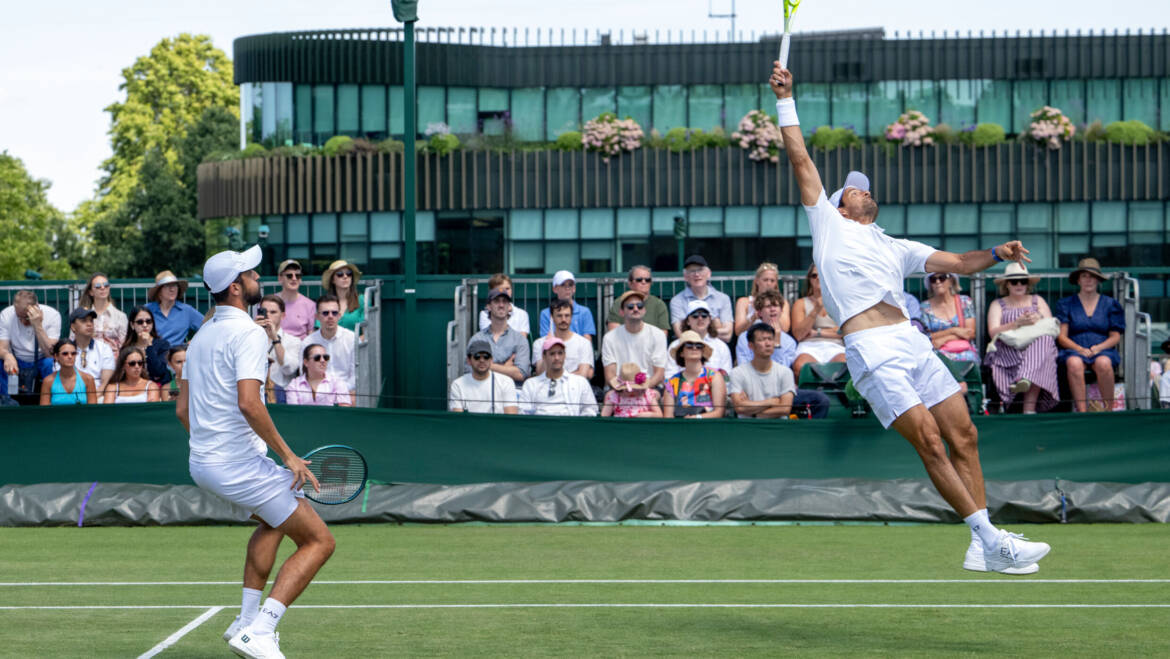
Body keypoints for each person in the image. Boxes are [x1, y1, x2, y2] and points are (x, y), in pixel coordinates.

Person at [773, 61, 1048, 573]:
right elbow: (799, 156)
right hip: (872, 350)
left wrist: (998, 250)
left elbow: (962, 265)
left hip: (913, 341)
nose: (863, 190)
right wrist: (786, 99)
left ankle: (981, 543)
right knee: (927, 439)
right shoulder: (827, 226)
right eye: (855, 189)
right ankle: (990, 538)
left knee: (964, 434)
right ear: (839, 205)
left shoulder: (895, 245)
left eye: (864, 187)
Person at [178, 244, 334, 657]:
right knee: (319, 542)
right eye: (249, 273)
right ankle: (261, 631)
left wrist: (214, 448)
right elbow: (250, 402)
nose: (256, 277)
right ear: (234, 288)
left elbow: (182, 410)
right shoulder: (247, 332)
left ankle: (244, 621)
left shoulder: (201, 337)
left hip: (204, 463)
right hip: (235, 463)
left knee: (273, 522)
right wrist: (288, 455)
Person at [986, 263, 1059, 414]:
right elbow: (993, 332)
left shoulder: (1037, 300)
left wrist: (1037, 317)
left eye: (1023, 281)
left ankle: (1025, 379)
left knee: (1044, 342)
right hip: (1008, 350)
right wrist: (1016, 323)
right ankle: (1028, 408)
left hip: (1037, 348)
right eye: (1014, 281)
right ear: (1007, 284)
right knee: (1040, 357)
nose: (1019, 284)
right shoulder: (997, 304)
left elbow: (1051, 326)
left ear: (1028, 284)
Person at [1056, 257, 1124, 413]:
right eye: (1084, 276)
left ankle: (1108, 410)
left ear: (1098, 280)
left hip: (1102, 349)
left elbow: (1115, 336)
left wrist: (1098, 348)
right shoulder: (1065, 304)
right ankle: (1082, 412)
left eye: (1092, 276)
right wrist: (1079, 349)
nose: (1088, 280)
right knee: (1074, 363)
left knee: (1104, 363)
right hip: (1074, 348)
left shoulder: (1110, 304)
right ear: (1078, 280)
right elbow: (1062, 337)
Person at [0, 290, 61, 405]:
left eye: (26, 317)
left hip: (41, 359)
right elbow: (1, 347)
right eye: (19, 317)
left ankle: (50, 401)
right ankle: (5, 401)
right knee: (2, 360)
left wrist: (37, 325)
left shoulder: (53, 315)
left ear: (37, 308)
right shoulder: (6, 315)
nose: (23, 321)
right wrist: (7, 355)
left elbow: (51, 353)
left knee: (50, 363)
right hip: (17, 359)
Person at [602, 290, 669, 392]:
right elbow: (610, 374)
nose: (635, 309)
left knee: (654, 397)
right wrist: (623, 389)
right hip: (620, 388)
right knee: (609, 399)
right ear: (621, 312)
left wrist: (642, 389)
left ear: (644, 310)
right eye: (630, 306)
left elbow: (659, 374)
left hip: (650, 387)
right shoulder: (609, 338)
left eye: (640, 305)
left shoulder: (658, 334)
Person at [465, 288, 531, 386]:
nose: (501, 305)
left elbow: (521, 374)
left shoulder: (519, 339)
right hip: (482, 393)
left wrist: (486, 365)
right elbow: (470, 371)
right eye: (496, 301)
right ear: (488, 307)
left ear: (509, 306)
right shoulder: (477, 339)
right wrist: (505, 367)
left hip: (512, 394)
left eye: (505, 302)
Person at [729, 323, 797, 419]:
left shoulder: (785, 373)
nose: (768, 344)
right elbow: (739, 407)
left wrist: (753, 413)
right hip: (748, 428)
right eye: (762, 340)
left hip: (778, 428)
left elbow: (785, 409)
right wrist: (770, 402)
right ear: (750, 345)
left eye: (770, 339)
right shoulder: (737, 373)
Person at [790, 263, 847, 377]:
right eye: (814, 275)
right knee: (800, 367)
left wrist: (816, 332)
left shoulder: (839, 302)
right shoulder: (800, 304)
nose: (818, 278)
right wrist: (816, 309)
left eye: (822, 274)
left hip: (836, 346)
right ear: (809, 279)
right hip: (809, 346)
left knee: (846, 365)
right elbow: (799, 335)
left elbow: (844, 331)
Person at [519, 338, 598, 416]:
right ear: (544, 356)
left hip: (570, 426)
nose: (557, 358)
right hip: (540, 426)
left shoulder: (580, 382)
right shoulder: (531, 384)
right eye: (552, 354)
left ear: (564, 355)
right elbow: (523, 413)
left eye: (560, 353)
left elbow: (590, 409)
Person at [304, 295, 357, 406]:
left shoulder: (352, 339)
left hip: (347, 394)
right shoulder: (307, 342)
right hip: (318, 396)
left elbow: (357, 375)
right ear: (317, 316)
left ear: (339, 315)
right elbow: (305, 374)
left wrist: (340, 392)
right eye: (325, 313)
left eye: (334, 313)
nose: (330, 316)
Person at [663, 330, 727, 419]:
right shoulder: (672, 382)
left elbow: (719, 412)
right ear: (681, 353)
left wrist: (697, 417)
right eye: (689, 345)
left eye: (699, 346)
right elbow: (668, 417)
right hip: (681, 429)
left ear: (702, 352)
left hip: (709, 428)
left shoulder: (714, 376)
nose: (694, 348)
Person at [670, 255, 734, 341]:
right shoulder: (677, 301)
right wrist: (716, 324)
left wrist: (694, 327)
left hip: (718, 349)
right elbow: (681, 334)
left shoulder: (723, 299)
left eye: (700, 270)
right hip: (689, 349)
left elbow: (727, 335)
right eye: (692, 271)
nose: (697, 274)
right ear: (686, 277)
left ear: (709, 274)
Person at [920, 272, 980, 364]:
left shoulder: (964, 301)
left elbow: (970, 333)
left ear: (951, 280)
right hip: (938, 357)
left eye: (942, 277)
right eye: (933, 279)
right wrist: (954, 331)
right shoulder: (924, 307)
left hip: (965, 355)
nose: (938, 282)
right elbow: (925, 337)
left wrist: (944, 339)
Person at [449, 338, 519, 414]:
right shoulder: (458, 385)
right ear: (469, 360)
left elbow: (510, 419)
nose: (482, 360)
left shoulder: (506, 382)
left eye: (486, 356)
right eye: (477, 356)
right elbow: (458, 420)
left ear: (491, 360)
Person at [665, 300, 733, 378]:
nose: (700, 318)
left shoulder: (721, 347)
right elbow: (669, 377)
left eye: (704, 315)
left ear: (710, 319)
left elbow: (726, 378)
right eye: (695, 315)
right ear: (688, 321)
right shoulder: (676, 345)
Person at [256, 295, 302, 404]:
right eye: (264, 311)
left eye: (273, 312)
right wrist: (252, 331)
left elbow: (289, 369)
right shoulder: (251, 337)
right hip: (256, 394)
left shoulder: (294, 341)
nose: (267, 315)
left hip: (281, 397)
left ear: (283, 315)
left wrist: (275, 339)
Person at [532, 298, 594, 379]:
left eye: (567, 315)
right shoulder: (539, 343)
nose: (563, 319)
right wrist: (547, 347)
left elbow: (583, 375)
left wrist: (557, 377)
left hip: (575, 388)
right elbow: (540, 373)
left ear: (571, 317)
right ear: (552, 317)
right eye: (559, 316)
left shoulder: (584, 343)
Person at [734, 291, 797, 368]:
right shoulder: (745, 338)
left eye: (776, 306)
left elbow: (782, 371)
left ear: (781, 311)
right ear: (760, 312)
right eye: (768, 306)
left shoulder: (789, 342)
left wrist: (776, 344)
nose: (772, 309)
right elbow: (744, 367)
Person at [63, 307, 115, 394]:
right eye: (84, 321)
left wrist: (92, 399)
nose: (89, 324)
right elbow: (63, 381)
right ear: (73, 327)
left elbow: (105, 384)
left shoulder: (104, 349)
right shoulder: (65, 351)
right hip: (71, 395)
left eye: (91, 321)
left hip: (98, 396)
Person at [606, 265, 670, 333]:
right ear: (630, 283)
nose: (644, 282)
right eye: (639, 280)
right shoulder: (619, 303)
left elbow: (662, 335)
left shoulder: (659, 305)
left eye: (647, 280)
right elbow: (614, 332)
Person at [146, 270, 203, 346]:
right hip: (154, 354)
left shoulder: (187, 310)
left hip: (178, 355)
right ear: (159, 291)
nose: (172, 289)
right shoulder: (147, 310)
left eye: (175, 285)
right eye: (167, 286)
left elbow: (208, 327)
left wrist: (194, 342)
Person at [538, 270, 596, 343]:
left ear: (574, 288)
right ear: (555, 289)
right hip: (555, 352)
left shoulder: (585, 312)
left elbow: (587, 340)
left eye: (570, 285)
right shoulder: (546, 313)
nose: (567, 288)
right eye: (563, 285)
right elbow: (546, 340)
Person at [285, 344, 352, 407]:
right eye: (317, 357)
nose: (323, 360)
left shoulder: (337, 383)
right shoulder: (294, 385)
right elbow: (293, 412)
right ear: (306, 362)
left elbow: (344, 411)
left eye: (326, 357)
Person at [121, 305, 172, 386]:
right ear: (132, 325)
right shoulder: (127, 347)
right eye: (140, 322)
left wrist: (149, 345)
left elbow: (158, 372)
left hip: (157, 388)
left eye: (148, 321)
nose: (145, 325)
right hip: (133, 387)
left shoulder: (162, 344)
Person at [78, 272, 127, 353]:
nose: (103, 288)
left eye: (106, 285)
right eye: (98, 286)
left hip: (113, 361)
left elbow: (124, 346)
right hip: (88, 360)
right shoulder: (82, 316)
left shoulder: (120, 316)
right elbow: (74, 342)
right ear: (91, 292)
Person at [734, 262, 786, 336]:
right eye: (765, 280)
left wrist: (772, 313)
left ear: (776, 284)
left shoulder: (783, 303)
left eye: (772, 281)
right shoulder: (743, 302)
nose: (769, 283)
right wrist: (753, 318)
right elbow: (738, 332)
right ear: (757, 281)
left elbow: (785, 329)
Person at [40, 339, 96, 406]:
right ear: (56, 356)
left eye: (73, 353)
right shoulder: (48, 381)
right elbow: (44, 412)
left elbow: (93, 412)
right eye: (65, 354)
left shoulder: (88, 379)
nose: (70, 357)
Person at [275, 259, 316, 339]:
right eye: (289, 276)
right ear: (280, 278)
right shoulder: (269, 303)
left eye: (298, 275)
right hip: (275, 346)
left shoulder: (310, 305)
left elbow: (311, 334)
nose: (294, 278)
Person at [321, 259, 366, 332]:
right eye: (339, 274)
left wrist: (352, 343)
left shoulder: (362, 300)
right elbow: (320, 331)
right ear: (332, 280)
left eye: (349, 273)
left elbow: (366, 334)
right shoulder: (325, 303)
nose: (345, 276)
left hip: (355, 343)